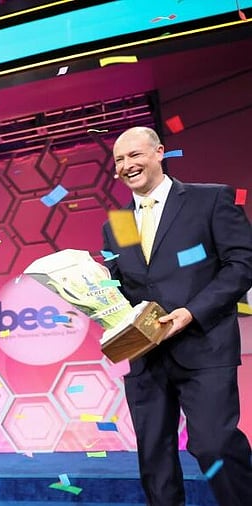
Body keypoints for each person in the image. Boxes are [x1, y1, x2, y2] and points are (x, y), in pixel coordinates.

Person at [101, 126, 252, 505]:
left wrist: (191, 312)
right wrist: (95, 292)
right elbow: (125, 284)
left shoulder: (210, 199)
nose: (126, 165)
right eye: (119, 160)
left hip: (204, 347)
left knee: (213, 446)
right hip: (146, 356)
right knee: (155, 459)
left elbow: (242, 263)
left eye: (134, 155)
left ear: (159, 153)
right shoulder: (116, 223)